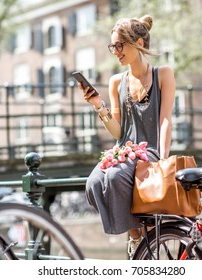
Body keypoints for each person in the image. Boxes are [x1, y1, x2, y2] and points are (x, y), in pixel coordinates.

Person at [78, 14, 176, 259]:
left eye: (119, 45)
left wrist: (162, 161)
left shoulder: (163, 74)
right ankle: (137, 235)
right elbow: (119, 132)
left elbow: (165, 120)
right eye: (113, 46)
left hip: (150, 150)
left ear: (139, 43)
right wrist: (99, 106)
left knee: (114, 176)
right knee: (93, 183)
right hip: (124, 151)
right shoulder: (116, 82)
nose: (115, 52)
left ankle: (137, 241)